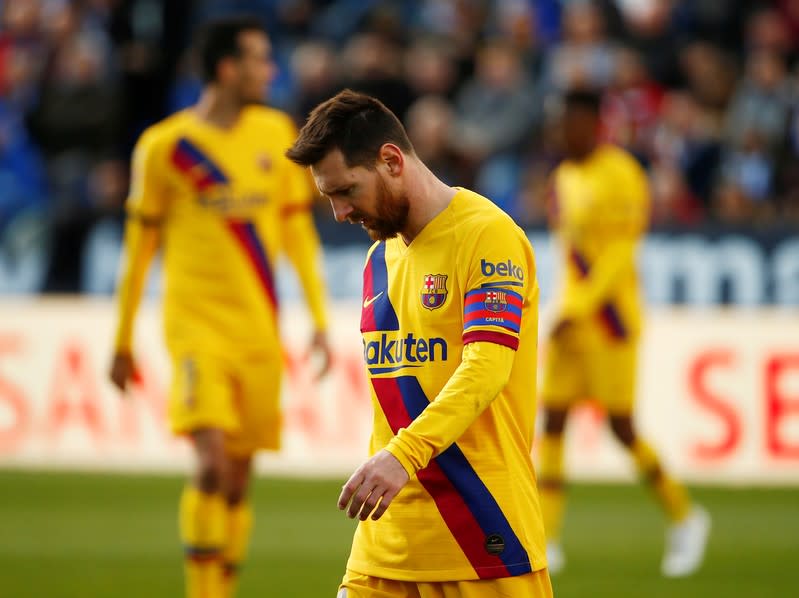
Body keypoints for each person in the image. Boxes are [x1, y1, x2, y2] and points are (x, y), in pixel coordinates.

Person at [287, 90, 552, 598]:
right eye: (329, 198)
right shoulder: (377, 262)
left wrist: (402, 455)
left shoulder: (487, 235)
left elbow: (487, 367)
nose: (340, 213)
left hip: (482, 537)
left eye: (346, 191)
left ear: (391, 160)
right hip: (384, 543)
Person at [108, 16, 331, 598]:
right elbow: (137, 253)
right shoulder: (164, 149)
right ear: (228, 69)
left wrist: (320, 320)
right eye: (261, 59)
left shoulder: (277, 134)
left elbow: (298, 238)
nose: (271, 70)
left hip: (258, 329)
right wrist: (122, 338)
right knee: (209, 463)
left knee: (236, 479)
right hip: (195, 328)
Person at [537, 89, 710, 577]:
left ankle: (685, 516)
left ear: (594, 124)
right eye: (557, 124)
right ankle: (545, 540)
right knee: (551, 421)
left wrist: (581, 306)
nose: (561, 133)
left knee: (621, 427)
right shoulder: (563, 176)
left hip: (610, 322)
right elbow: (569, 255)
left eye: (569, 123)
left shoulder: (623, 175)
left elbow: (617, 257)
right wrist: (563, 308)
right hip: (571, 320)